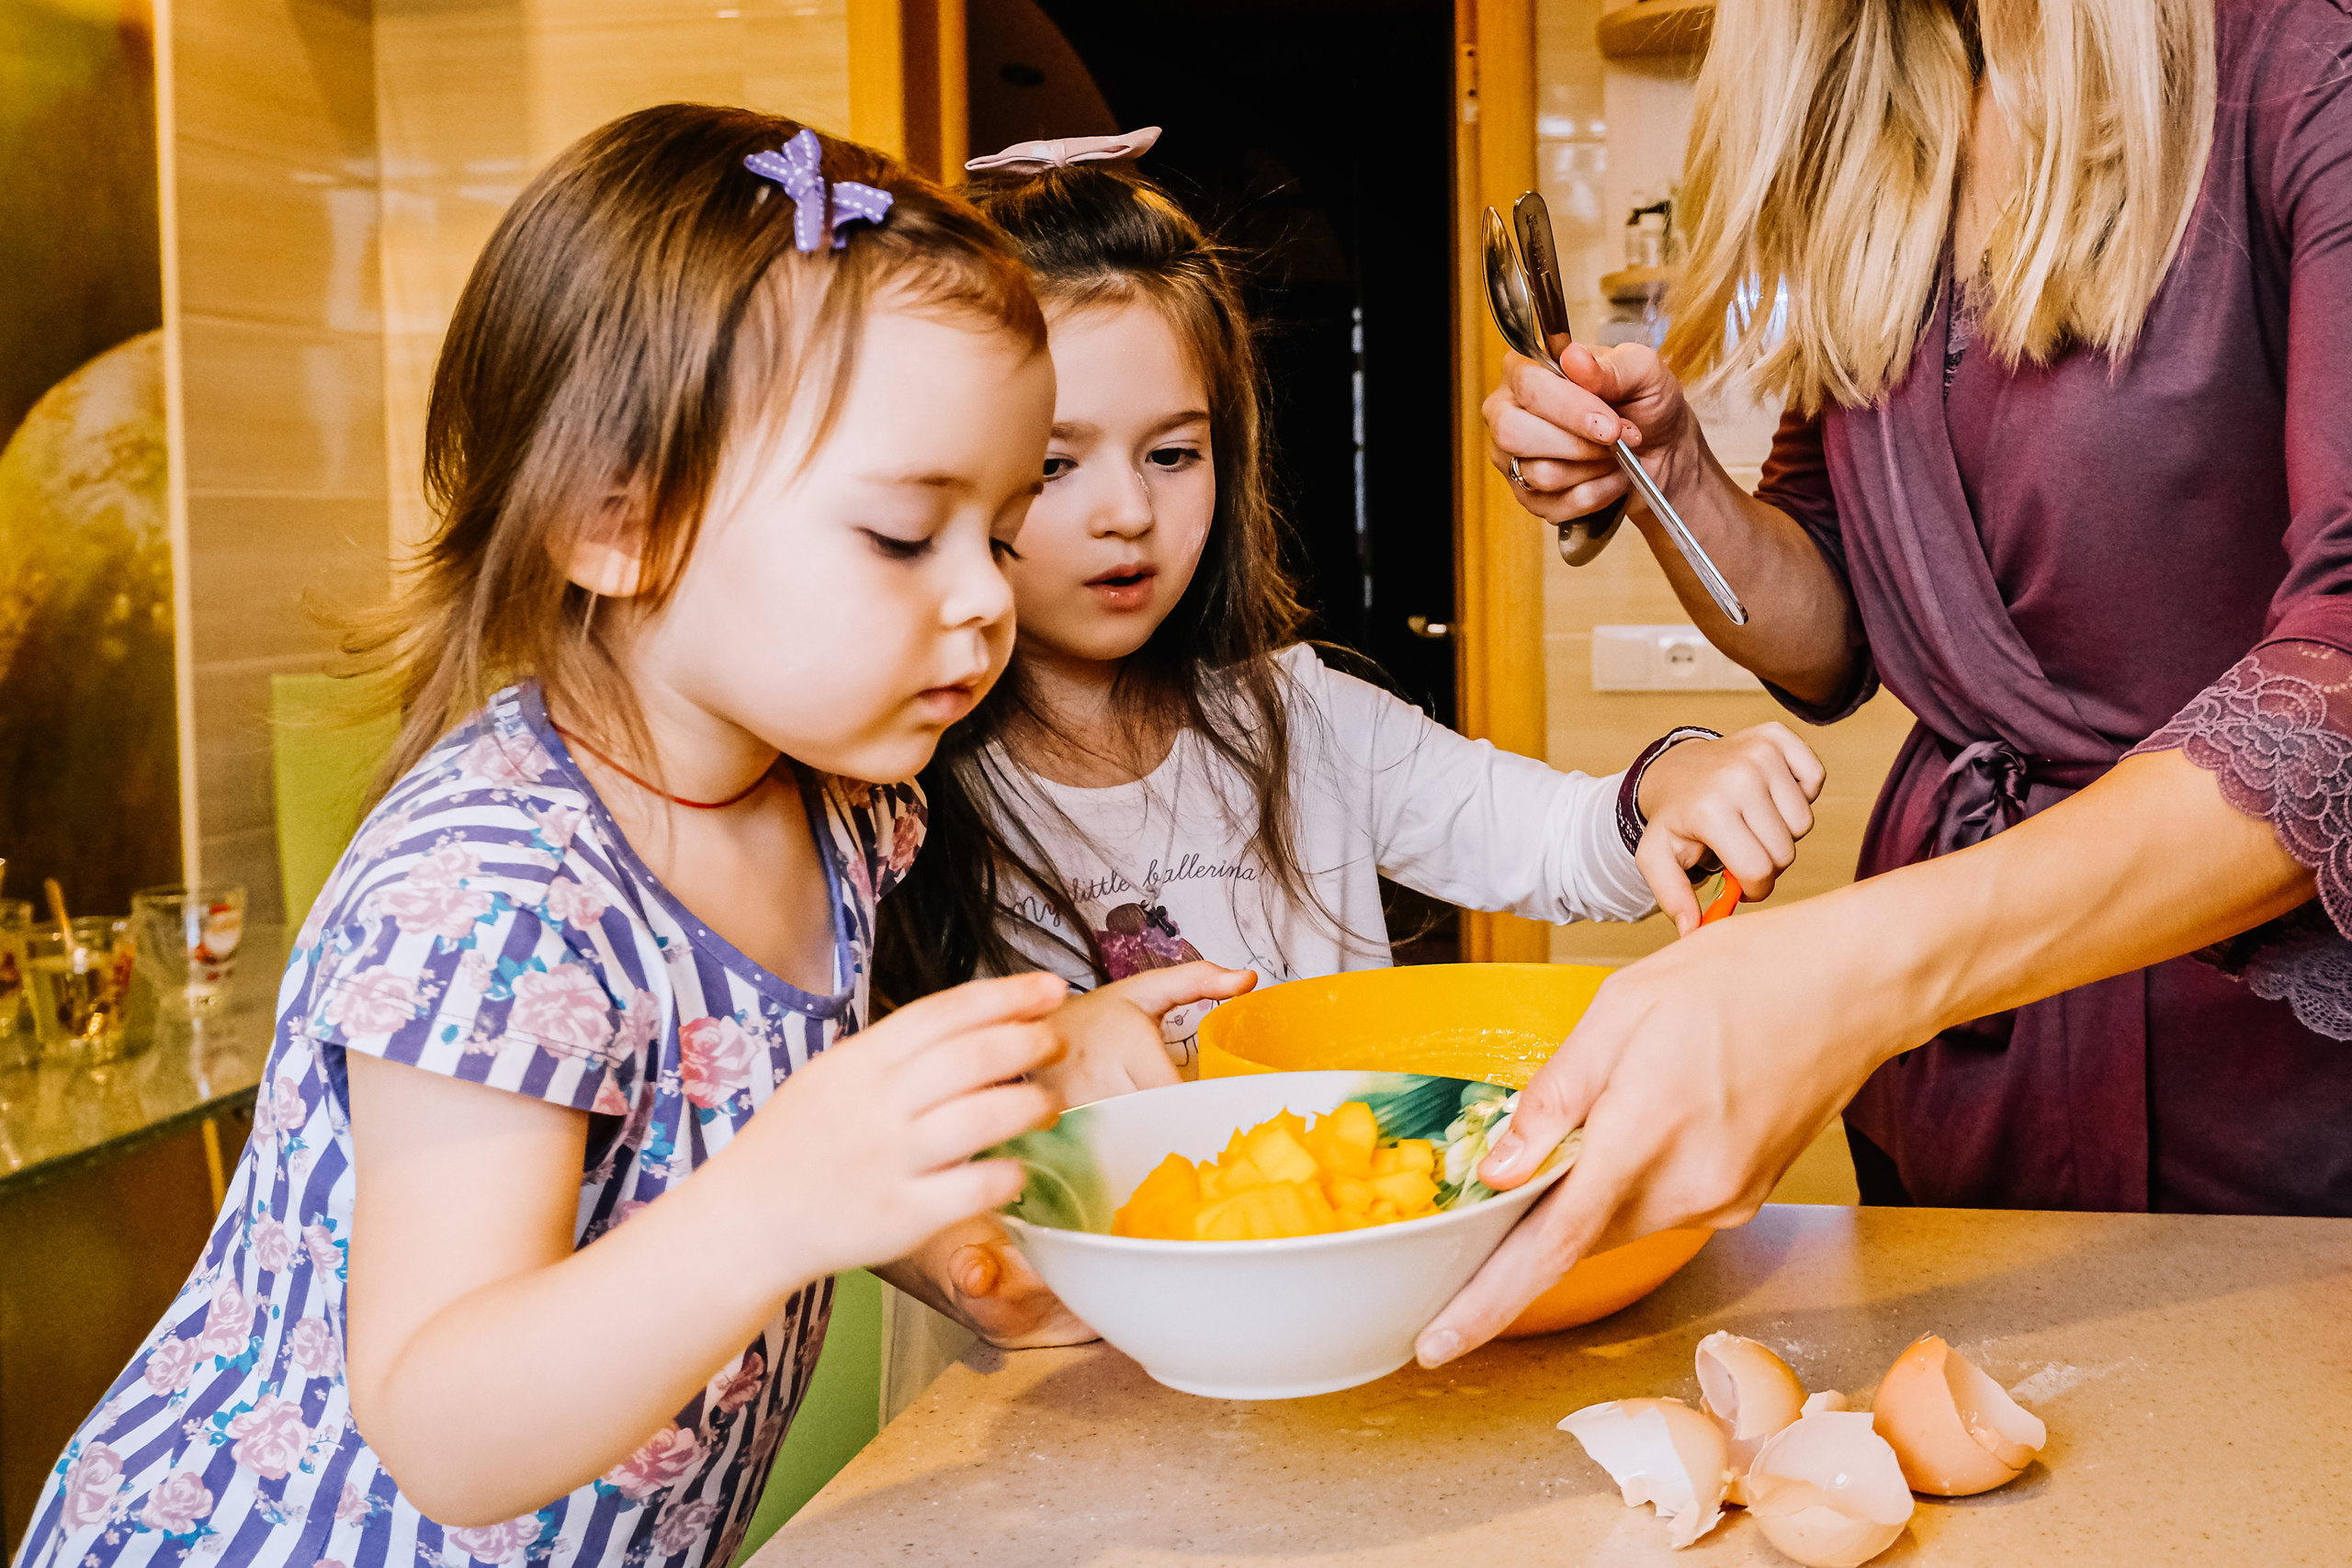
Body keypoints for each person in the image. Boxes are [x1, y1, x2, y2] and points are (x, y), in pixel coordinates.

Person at [13, 105, 1238, 1568]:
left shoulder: (837, 809)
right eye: (906, 536)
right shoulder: (494, 886)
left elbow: (712, 1145)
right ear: (619, 523)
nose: (983, 596)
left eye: (1001, 526)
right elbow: (446, 1422)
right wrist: (784, 1197)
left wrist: (953, 1213)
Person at [1429, 0, 2352, 1367]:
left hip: (2263, 1100)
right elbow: (1836, 633)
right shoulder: (1889, 133)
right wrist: (1671, 475)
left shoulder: (2299, 65)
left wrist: (1849, 974)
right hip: (1957, 1080)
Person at [876, 138, 1829, 1060]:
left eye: (1172, 453)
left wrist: (1674, 778)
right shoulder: (898, 802)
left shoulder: (1305, 720)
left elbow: (1552, 840)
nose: (1127, 513)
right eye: (1054, 464)